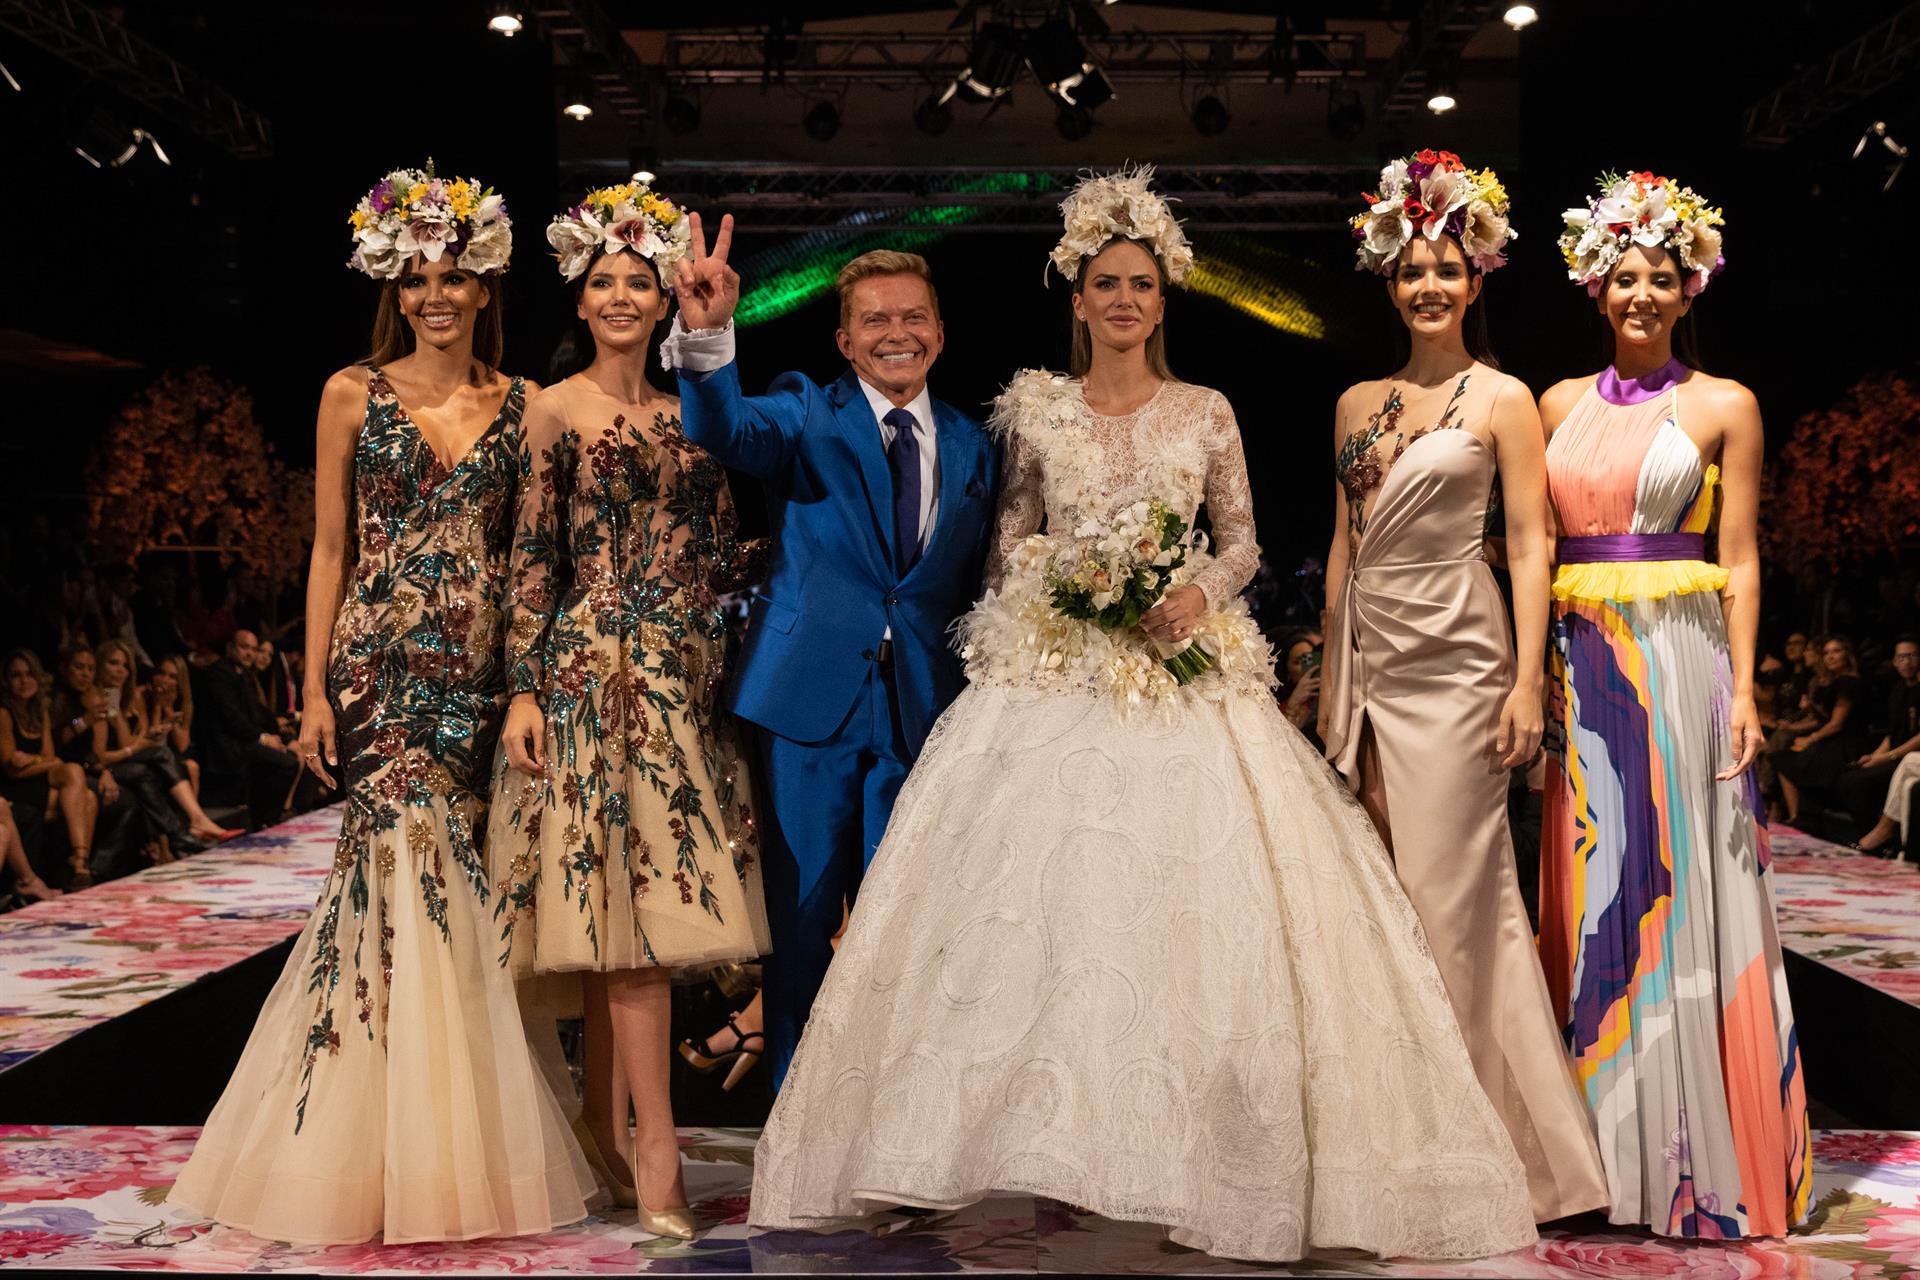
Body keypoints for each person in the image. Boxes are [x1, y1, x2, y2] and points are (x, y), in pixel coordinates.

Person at [747, 168, 1537, 1263]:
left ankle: (1203, 1157)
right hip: (1056, 673)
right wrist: (1066, 578)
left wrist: (1194, 592)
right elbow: (1010, 534)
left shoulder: (1207, 409)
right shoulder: (1035, 405)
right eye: (1104, 283)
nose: (1123, 299)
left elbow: (1247, 540)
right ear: (1076, 297)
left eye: (1142, 284)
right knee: (1025, 919)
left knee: (1185, 916)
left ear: (1164, 300)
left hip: (1178, 673)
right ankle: (954, 1151)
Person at [170, 164, 593, 1245]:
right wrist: (307, 688)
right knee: (392, 882)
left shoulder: (526, 406)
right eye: (416, 278)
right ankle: (356, 1149)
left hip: (482, 673)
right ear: (393, 287)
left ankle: (451, 1143)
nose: (435, 295)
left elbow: (536, 559)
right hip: (378, 670)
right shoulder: (349, 390)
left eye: (453, 275)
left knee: (466, 891)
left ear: (486, 282)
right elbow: (326, 550)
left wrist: (529, 682)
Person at [1321, 151, 1607, 1224]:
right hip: (1370, 657)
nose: (1428, 286)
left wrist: (1530, 680)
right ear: (1388, 282)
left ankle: (1486, 1154)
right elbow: (1345, 539)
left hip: (1460, 652)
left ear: (1476, 278)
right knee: (1381, 902)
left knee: (1451, 898)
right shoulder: (1355, 396)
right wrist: (1329, 674)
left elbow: (1531, 541)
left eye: (1447, 268)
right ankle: (1393, 1130)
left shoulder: (1504, 398)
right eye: (1410, 271)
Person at [489, 180, 771, 1237]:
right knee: (627, 928)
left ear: (665, 304)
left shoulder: (694, 411)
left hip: (685, 683)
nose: (619, 296)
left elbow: (718, 549)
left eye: (637, 282)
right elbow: (530, 558)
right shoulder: (551, 408)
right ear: (580, 299)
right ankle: (656, 1151)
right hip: (588, 679)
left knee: (640, 918)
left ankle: (611, 1137)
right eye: (602, 280)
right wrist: (522, 684)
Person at [663, 223, 1002, 1089]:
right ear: (844, 340)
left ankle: (896, 1132)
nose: (899, 331)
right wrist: (705, 337)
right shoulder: (807, 410)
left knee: (912, 933)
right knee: (803, 931)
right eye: (876, 318)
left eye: (916, 316)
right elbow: (723, 427)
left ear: (940, 331)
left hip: (925, 716)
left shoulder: (973, 443)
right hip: (809, 713)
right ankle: (793, 1135)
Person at [1541, 171, 1808, 1237]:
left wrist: (1746, 688)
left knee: (1688, 887)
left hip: (1683, 662)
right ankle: (1598, 1159)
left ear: (1688, 287)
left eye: (1660, 277)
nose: (1640, 293)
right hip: (1582, 666)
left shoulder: (1725, 403)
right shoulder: (1555, 403)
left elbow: (1740, 559)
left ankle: (1700, 1161)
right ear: (1597, 288)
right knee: (1597, 882)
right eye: (1623, 278)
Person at [93, 639, 238, 851]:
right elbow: (96, 746)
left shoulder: (113, 697)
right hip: (100, 765)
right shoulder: (105, 696)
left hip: (134, 758)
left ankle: (176, 839)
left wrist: (163, 709)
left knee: (169, 767)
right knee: (158, 761)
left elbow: (175, 744)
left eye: (124, 666)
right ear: (101, 664)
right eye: (113, 664)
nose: (120, 671)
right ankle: (189, 826)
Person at [0, 649, 98, 888]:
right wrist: (83, 720)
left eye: (90, 669)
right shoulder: (61, 700)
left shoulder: (94, 697)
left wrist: (103, 766)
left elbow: (99, 745)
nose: (85, 674)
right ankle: (77, 866)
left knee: (88, 793)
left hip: (72, 769)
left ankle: (78, 863)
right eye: (79, 667)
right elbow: (63, 736)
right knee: (85, 794)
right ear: (66, 669)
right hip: (31, 779)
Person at [198, 630, 298, 830]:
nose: (250, 653)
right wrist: (263, 738)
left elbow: (258, 714)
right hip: (226, 744)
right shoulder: (220, 673)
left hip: (244, 739)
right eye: (245, 647)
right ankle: (266, 820)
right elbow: (231, 718)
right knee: (287, 762)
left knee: (288, 755)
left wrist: (273, 732)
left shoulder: (244, 674)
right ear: (231, 648)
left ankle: (266, 819)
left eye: (253, 649)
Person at [1774, 636, 1871, 824]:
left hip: (1846, 743)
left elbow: (1837, 724)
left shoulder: (1848, 682)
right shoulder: (1836, 682)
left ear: (1847, 655)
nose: (1830, 657)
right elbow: (1826, 718)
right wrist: (1811, 708)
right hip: (1833, 739)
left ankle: (1803, 818)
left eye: (1836, 651)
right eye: (1826, 653)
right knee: (1785, 758)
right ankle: (1798, 817)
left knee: (1795, 761)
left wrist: (1812, 738)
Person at [1840, 636, 1920, 852]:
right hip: (1895, 754)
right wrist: (1875, 756)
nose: (1908, 662)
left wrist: (1888, 756)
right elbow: (1892, 733)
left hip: (1906, 756)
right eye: (1902, 657)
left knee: (1860, 783)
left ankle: (1882, 836)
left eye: (1912, 655)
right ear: (1894, 662)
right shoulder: (1897, 690)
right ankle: (1873, 834)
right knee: (1850, 777)